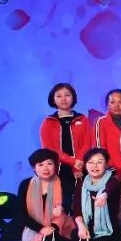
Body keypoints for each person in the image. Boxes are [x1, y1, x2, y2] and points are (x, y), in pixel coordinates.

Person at [40, 82, 91, 213]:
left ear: (73, 97)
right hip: (59, 169)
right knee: (61, 205)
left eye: (67, 95)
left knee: (82, 204)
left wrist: (78, 165)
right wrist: (72, 162)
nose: (63, 99)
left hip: (81, 168)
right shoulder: (48, 122)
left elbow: (87, 143)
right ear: (53, 99)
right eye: (59, 96)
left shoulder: (83, 119)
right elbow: (49, 148)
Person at [17, 149, 70, 241]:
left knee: (65, 232)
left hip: (59, 225)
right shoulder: (25, 184)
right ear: (33, 168)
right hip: (34, 226)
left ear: (55, 165)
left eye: (49, 163)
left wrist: (62, 208)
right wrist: (41, 228)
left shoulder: (64, 182)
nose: (46, 168)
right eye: (40, 165)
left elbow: (69, 203)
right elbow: (21, 213)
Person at [71, 147, 121, 241]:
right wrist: (81, 226)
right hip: (88, 226)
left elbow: (109, 189)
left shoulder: (112, 180)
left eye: (99, 162)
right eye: (91, 162)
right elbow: (76, 209)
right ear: (85, 165)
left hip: (108, 228)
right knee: (75, 236)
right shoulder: (82, 183)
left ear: (106, 164)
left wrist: (103, 196)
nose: (95, 166)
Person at [94, 89, 121, 181]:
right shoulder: (101, 121)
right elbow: (99, 149)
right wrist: (111, 169)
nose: (116, 105)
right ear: (107, 104)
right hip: (111, 172)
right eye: (112, 102)